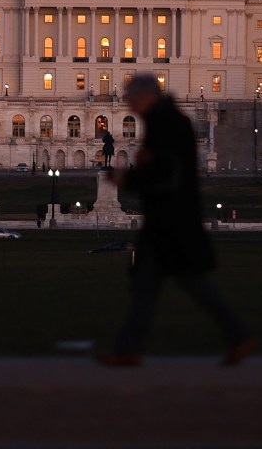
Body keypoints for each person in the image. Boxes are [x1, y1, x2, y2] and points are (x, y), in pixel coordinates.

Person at [97, 74, 253, 367]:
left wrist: (127, 178)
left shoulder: (165, 123)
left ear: (145, 96)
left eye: (131, 98)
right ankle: (128, 349)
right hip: (165, 221)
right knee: (146, 285)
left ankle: (239, 336)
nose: (128, 105)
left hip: (173, 223)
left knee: (192, 284)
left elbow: (166, 175)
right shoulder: (167, 120)